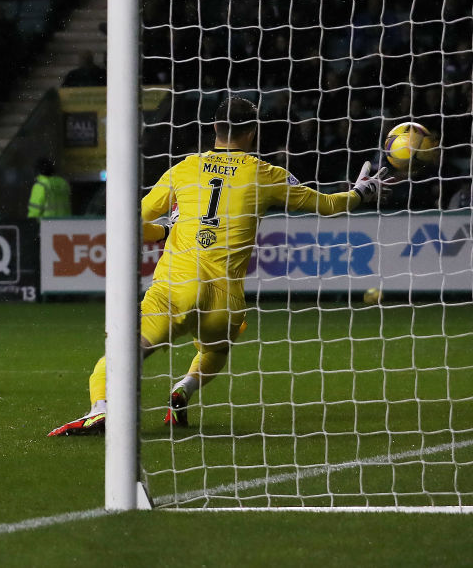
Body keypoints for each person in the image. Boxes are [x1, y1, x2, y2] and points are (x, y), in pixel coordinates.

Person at [48, 97, 395, 436]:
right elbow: (329, 206)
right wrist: (361, 193)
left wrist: (165, 229)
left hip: (175, 287)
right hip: (223, 301)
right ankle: (184, 388)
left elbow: (131, 221)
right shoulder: (266, 174)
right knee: (216, 351)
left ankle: (100, 410)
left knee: (124, 349)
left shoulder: (184, 168)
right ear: (253, 132)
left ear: (215, 126)